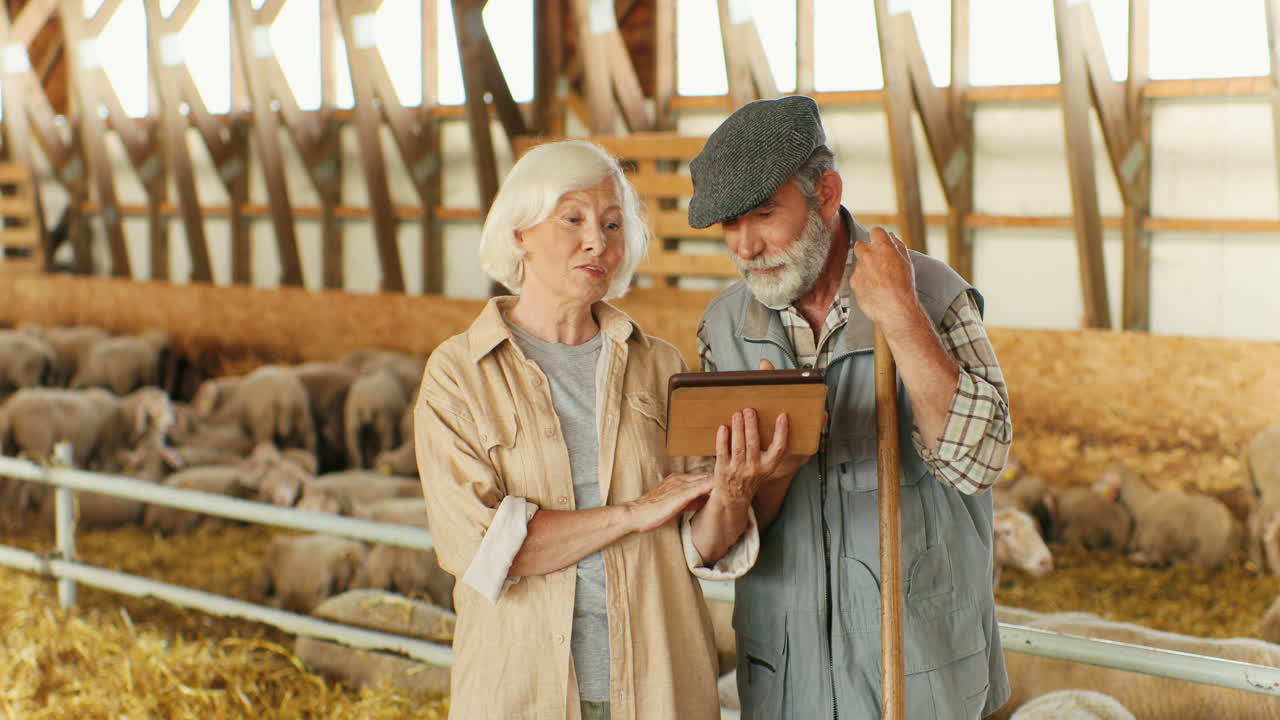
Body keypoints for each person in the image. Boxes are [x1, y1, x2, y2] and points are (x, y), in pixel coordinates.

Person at [416, 140, 787, 720]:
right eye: (573, 219)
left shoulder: (660, 365)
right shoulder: (459, 374)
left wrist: (734, 491)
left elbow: (700, 543)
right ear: (519, 233)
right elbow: (487, 549)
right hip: (522, 691)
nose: (599, 240)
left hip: (658, 686)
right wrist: (633, 513)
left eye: (613, 224)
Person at [687, 96, 1014, 719]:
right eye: (729, 225)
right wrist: (764, 478)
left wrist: (900, 315)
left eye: (763, 213)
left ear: (827, 194)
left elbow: (981, 464)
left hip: (918, 672)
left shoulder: (934, 293)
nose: (747, 246)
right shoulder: (724, 326)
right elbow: (721, 535)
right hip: (789, 678)